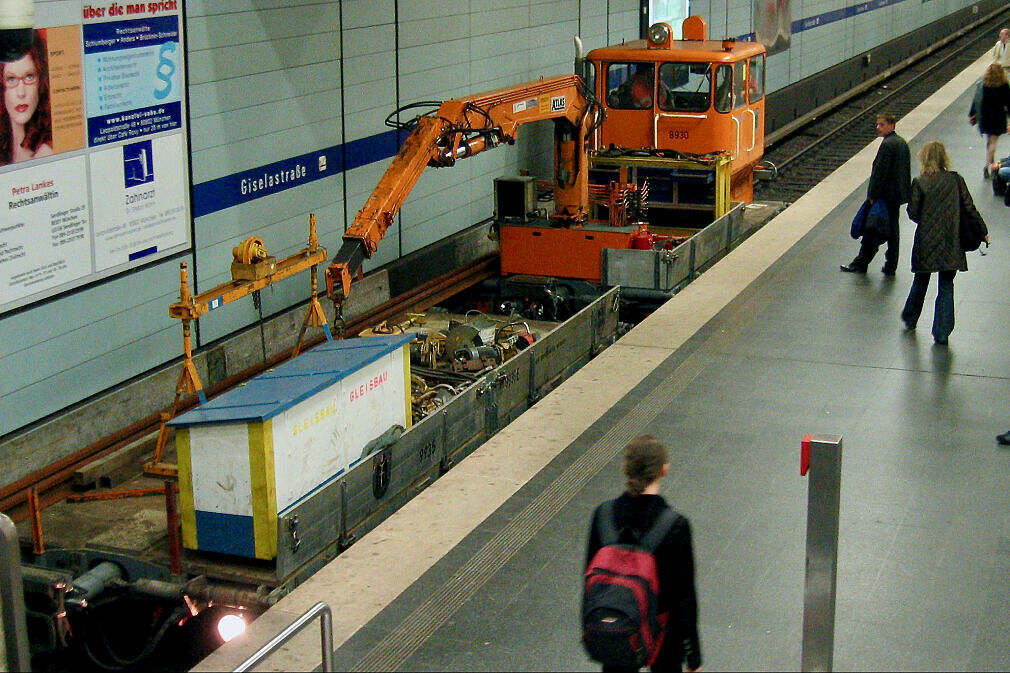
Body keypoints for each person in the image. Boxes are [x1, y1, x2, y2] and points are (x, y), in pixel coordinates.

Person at [585, 435, 701, 672]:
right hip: (664, 635)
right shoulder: (675, 525)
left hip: (617, 625)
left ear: (626, 469)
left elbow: (589, 581)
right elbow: (684, 599)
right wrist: (693, 656)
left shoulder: (603, 515)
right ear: (664, 470)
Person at [901, 141, 987, 345]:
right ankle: (941, 332)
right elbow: (969, 208)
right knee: (946, 285)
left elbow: (913, 213)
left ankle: (910, 318)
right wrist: (982, 231)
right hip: (951, 240)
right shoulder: (956, 180)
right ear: (944, 158)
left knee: (920, 281)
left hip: (926, 241)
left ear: (924, 158)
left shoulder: (920, 182)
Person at [840, 114, 911, 275]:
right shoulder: (901, 143)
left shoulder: (887, 145)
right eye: (877, 124)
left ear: (891, 125)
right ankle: (891, 264)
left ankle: (861, 262)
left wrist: (872, 195)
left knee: (873, 229)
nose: (878, 127)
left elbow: (880, 172)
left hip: (883, 197)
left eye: (882, 124)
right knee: (893, 231)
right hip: (896, 196)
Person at [0, 30, 53, 165]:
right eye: (11, 79)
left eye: (29, 77)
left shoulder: (47, 153)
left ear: (41, 81)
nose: (21, 93)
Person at [968, 62, 1010, 177]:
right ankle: (988, 166)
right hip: (998, 117)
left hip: (985, 117)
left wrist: (972, 114)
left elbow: (976, 100)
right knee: (993, 142)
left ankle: (991, 162)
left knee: (989, 141)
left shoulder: (983, 84)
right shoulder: (1004, 85)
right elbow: (1008, 103)